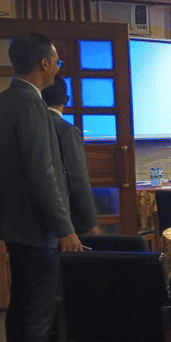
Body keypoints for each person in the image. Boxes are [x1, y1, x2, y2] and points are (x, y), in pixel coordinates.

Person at [0, 32, 83, 342]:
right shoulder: (30, 106)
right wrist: (65, 228)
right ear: (43, 63)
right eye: (56, 60)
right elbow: (43, 174)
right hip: (36, 226)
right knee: (39, 313)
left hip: (12, 222)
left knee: (20, 309)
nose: (58, 65)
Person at [41, 75, 101, 235]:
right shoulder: (67, 131)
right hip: (67, 219)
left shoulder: (29, 126)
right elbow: (78, 179)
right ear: (66, 99)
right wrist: (90, 224)